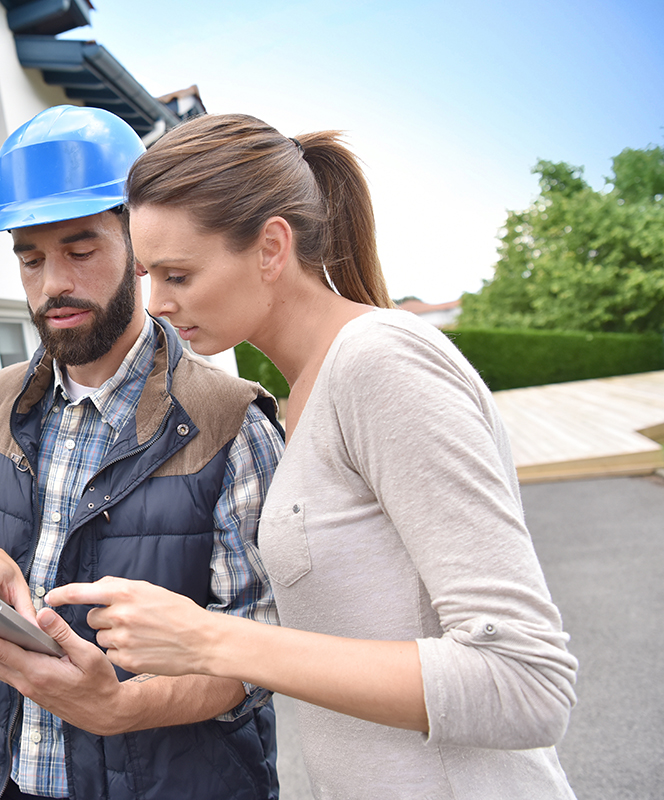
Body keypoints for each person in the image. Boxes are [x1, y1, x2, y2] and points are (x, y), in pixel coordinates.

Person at [47, 113, 579, 799]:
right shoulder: (302, 394)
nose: (156, 304)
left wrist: (212, 639)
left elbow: (526, 681)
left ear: (271, 247)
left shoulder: (379, 363)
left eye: (178, 273)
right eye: (148, 274)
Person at [0, 106, 285, 800]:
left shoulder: (229, 423)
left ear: (138, 249)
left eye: (80, 251)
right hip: (11, 784)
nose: (52, 282)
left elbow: (263, 653)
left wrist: (124, 708)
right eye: (30, 257)